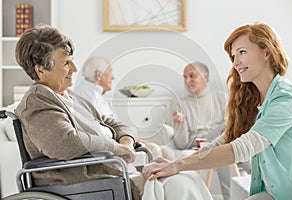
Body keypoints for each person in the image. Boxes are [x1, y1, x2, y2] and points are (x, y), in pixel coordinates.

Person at [14, 24, 212, 200]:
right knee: (180, 184)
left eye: (72, 61)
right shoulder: (37, 102)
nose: (74, 68)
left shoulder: (69, 96)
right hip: (86, 183)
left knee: (187, 177)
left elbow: (111, 122)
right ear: (41, 70)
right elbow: (66, 143)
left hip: (112, 174)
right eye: (66, 63)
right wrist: (115, 148)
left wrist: (125, 140)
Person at [142, 23, 292, 200]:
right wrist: (175, 163)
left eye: (242, 52)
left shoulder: (285, 99)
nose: (236, 62)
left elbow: (242, 147)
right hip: (273, 193)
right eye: (233, 56)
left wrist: (179, 165)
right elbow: (225, 139)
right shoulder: (256, 101)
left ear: (266, 52)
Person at [74, 56, 175, 161]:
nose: (113, 77)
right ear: (99, 75)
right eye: (110, 72)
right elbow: (102, 131)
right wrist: (128, 141)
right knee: (160, 151)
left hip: (120, 142)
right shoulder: (87, 96)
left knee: (166, 152)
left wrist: (130, 138)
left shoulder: (93, 94)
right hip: (112, 147)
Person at [172, 62, 233, 200]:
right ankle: (248, 167)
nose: (187, 81)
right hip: (197, 141)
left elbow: (232, 126)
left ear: (205, 77)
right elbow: (182, 144)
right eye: (185, 77)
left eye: (192, 76)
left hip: (220, 140)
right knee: (226, 134)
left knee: (223, 147)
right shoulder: (180, 104)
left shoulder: (221, 98)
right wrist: (180, 125)